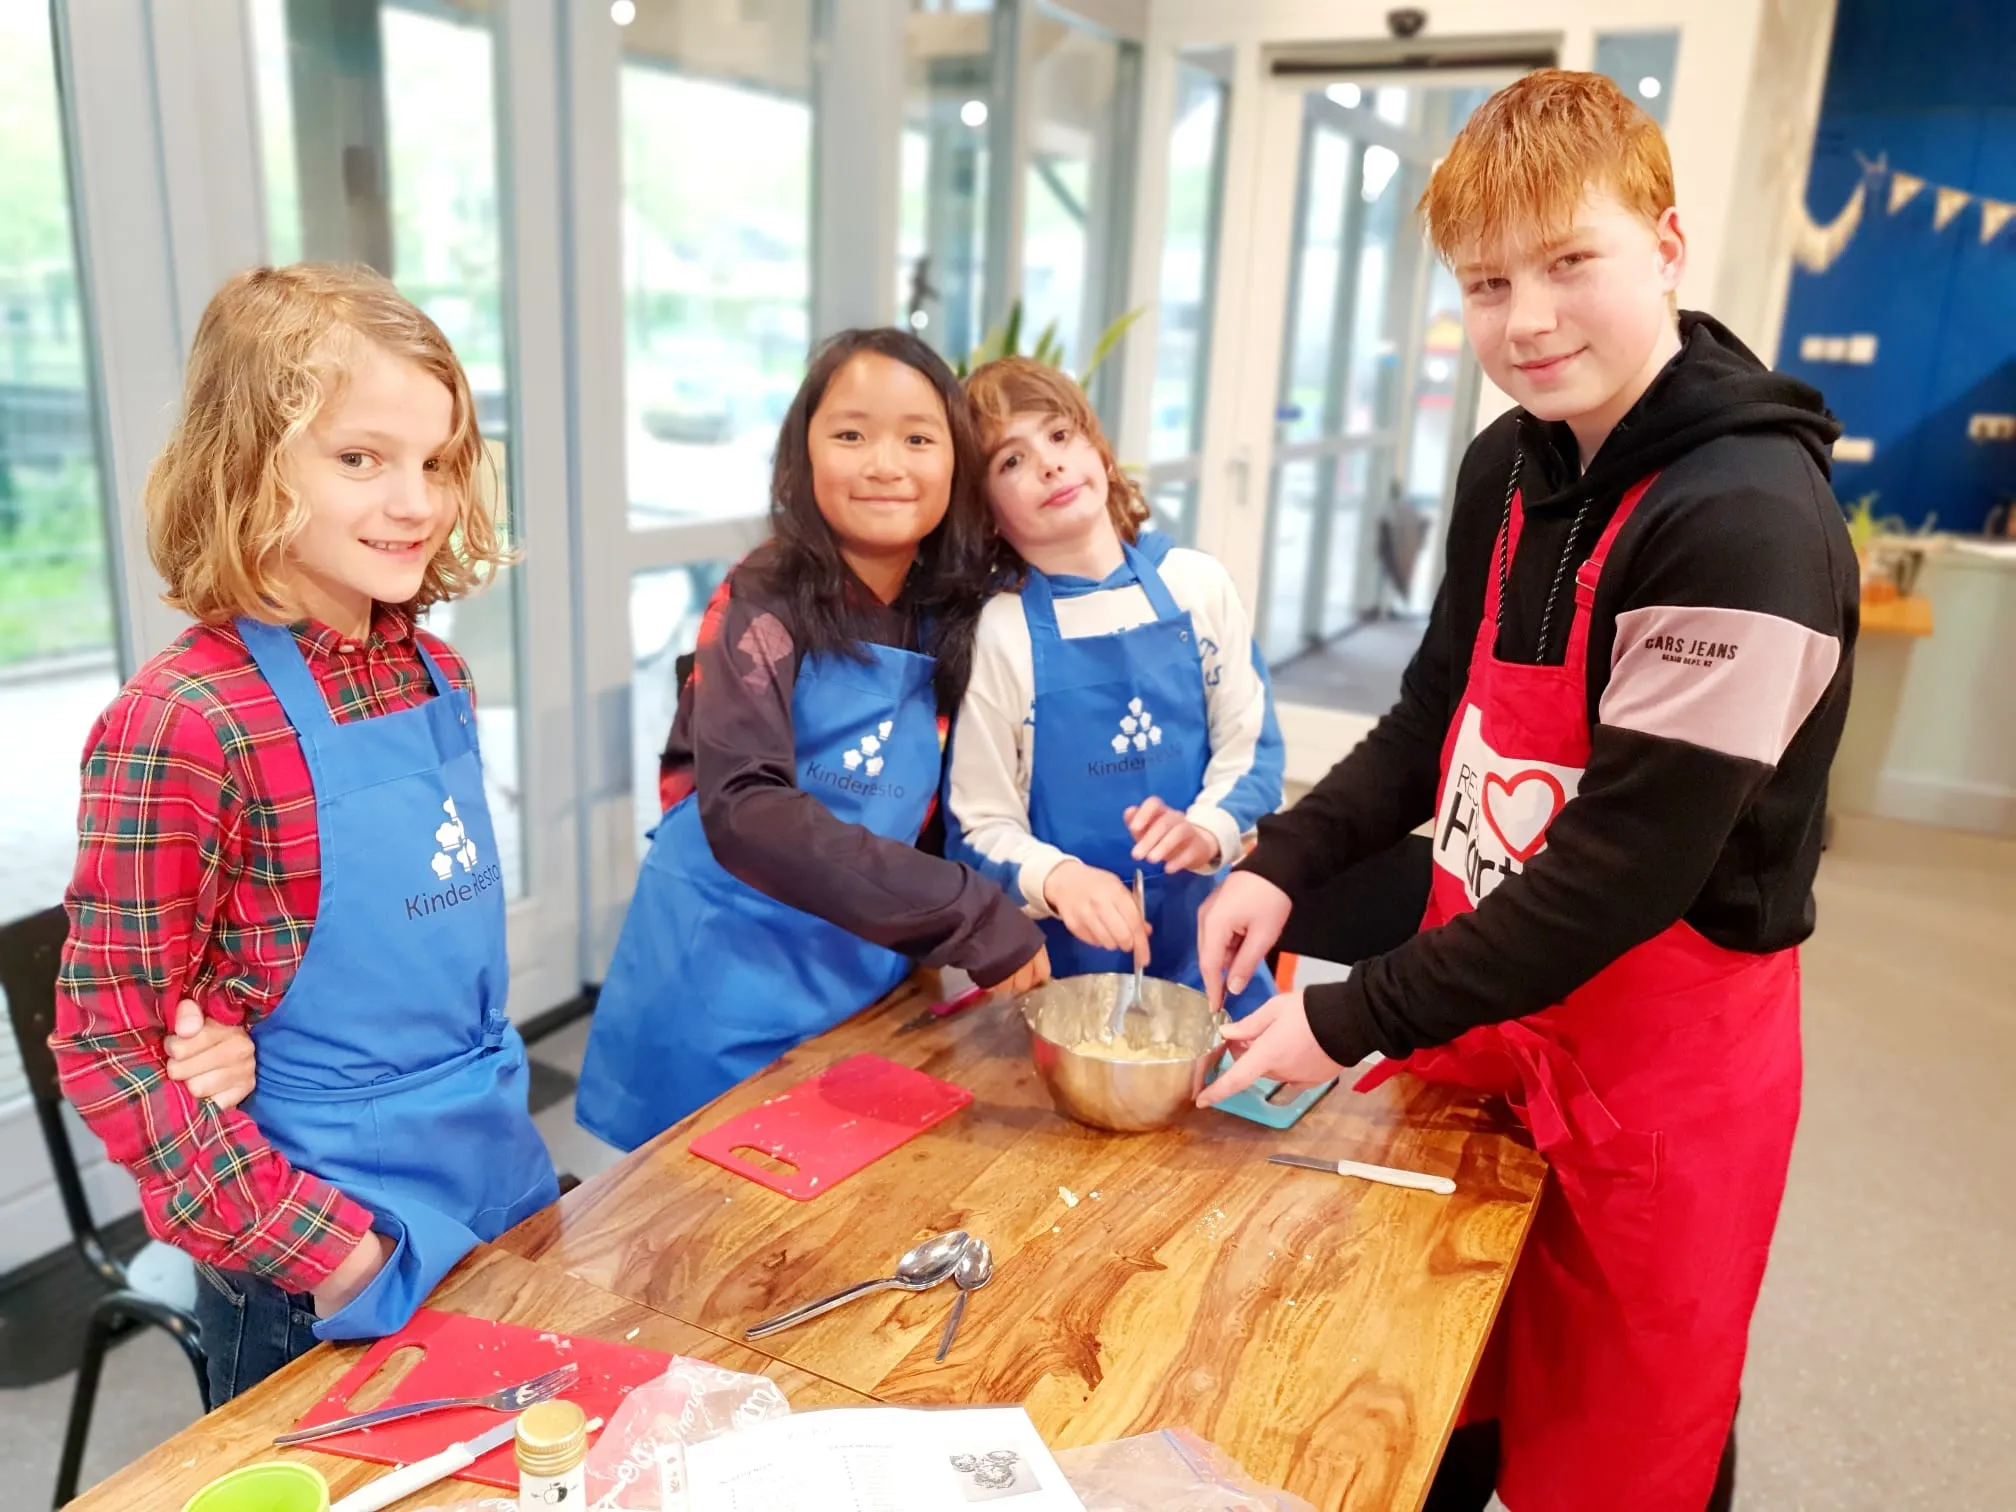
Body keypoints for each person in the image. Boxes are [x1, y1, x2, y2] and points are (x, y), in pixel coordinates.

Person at [1196, 71, 1857, 1512]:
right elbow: (1436, 717)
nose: (1530, 320)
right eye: (1487, 283)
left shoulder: (1745, 522)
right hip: (1488, 1009)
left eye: (1573, 263)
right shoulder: (1511, 459)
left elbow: (1629, 869)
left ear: (1667, 244)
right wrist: (1284, 861)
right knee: (1424, 1375)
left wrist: (1347, 1014)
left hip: (1658, 1067)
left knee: (1623, 1447)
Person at [53, 264, 558, 1404]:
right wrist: (337, 1259)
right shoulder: (181, 725)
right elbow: (114, 1053)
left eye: (435, 462)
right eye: (360, 459)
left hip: (493, 1175)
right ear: (246, 467)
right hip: (325, 1248)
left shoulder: (435, 672)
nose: (416, 503)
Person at [575, 329, 1050, 1153]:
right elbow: (747, 809)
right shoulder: (762, 596)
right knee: (688, 1234)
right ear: (804, 452)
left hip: (861, 969)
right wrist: (965, 913)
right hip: (723, 973)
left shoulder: (960, 606)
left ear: (956, 464)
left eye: (917, 437)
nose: (884, 464)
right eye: (851, 434)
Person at [944, 357, 1282, 1014]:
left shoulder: (1196, 585)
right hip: (1062, 977)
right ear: (985, 514)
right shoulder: (1001, 631)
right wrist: (1059, 877)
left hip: (1213, 954)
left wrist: (1209, 829)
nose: (1048, 464)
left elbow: (1254, 751)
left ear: (1097, 447)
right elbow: (978, 826)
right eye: (1011, 461)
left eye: (1059, 436)